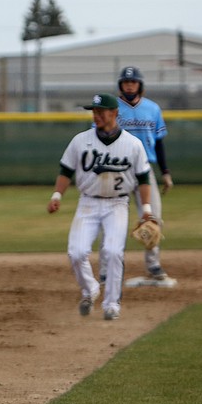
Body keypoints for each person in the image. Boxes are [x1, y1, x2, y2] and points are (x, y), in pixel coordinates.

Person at [48, 93, 153, 321]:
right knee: (76, 253)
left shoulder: (133, 145)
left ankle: (112, 304)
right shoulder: (80, 141)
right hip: (88, 203)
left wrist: (146, 209)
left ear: (114, 113)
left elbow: (143, 178)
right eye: (94, 111)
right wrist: (57, 194)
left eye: (100, 111)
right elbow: (66, 171)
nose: (96, 115)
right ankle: (90, 289)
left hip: (117, 204)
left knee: (114, 252)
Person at [116, 65, 175, 284]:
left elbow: (159, 144)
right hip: (117, 169)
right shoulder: (112, 108)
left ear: (140, 85)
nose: (129, 85)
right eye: (126, 82)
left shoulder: (152, 108)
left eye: (133, 82)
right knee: (114, 219)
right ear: (121, 85)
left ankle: (153, 265)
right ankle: (110, 267)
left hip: (145, 170)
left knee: (153, 218)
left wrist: (165, 172)